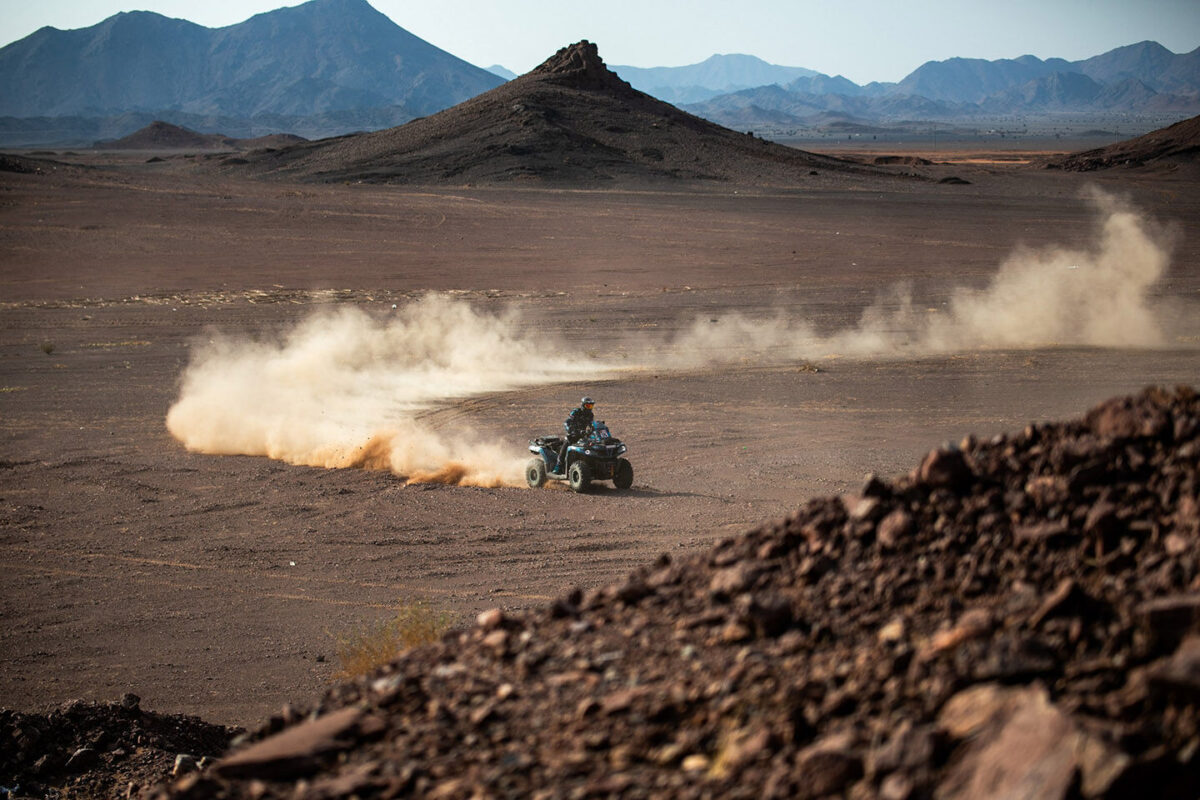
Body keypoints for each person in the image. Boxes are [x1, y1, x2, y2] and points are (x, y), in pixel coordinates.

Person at [556, 397, 595, 472]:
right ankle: (558, 465)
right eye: (588, 406)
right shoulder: (576, 412)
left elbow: (591, 424)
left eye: (591, 406)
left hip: (583, 435)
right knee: (566, 445)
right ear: (583, 405)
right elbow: (567, 422)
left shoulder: (590, 415)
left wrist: (592, 430)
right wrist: (572, 430)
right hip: (573, 435)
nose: (589, 408)